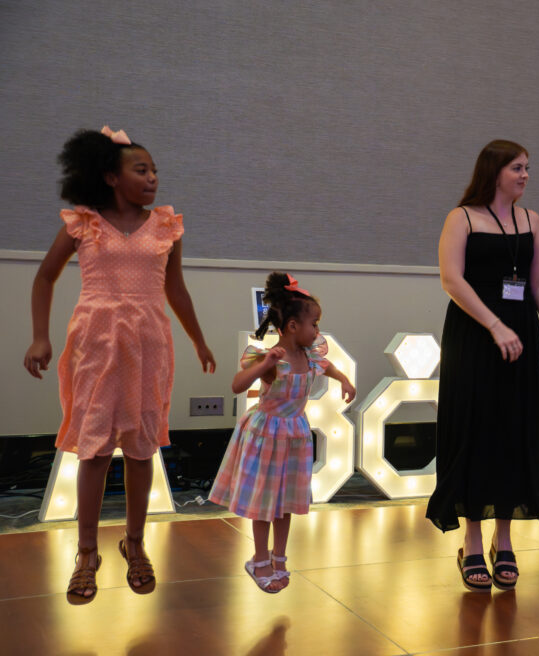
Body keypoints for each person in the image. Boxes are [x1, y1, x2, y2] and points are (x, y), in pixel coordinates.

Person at [23, 127, 216, 603]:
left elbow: (177, 290)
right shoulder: (83, 223)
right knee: (91, 449)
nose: (152, 178)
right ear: (110, 176)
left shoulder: (166, 226)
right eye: (141, 169)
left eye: (155, 171)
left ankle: (134, 542)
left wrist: (199, 340)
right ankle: (87, 551)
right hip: (96, 342)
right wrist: (41, 336)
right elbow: (45, 276)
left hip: (149, 344)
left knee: (140, 446)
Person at [426, 140, 539, 592]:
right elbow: (451, 279)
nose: (525, 175)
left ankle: (505, 539)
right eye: (517, 168)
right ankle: (471, 539)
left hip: (520, 333)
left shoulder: (532, 220)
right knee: (474, 432)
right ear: (494, 171)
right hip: (475, 335)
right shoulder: (461, 218)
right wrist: (495, 325)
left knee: (513, 432)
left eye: (528, 167)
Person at [208, 272, 355, 592]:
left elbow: (326, 366)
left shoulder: (309, 355)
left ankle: (279, 556)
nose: (317, 330)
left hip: (295, 435)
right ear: (292, 327)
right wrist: (264, 364)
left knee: (285, 501)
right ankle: (259, 558)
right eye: (313, 324)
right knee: (264, 501)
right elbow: (238, 384)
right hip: (267, 433)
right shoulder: (272, 359)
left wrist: (343, 378)